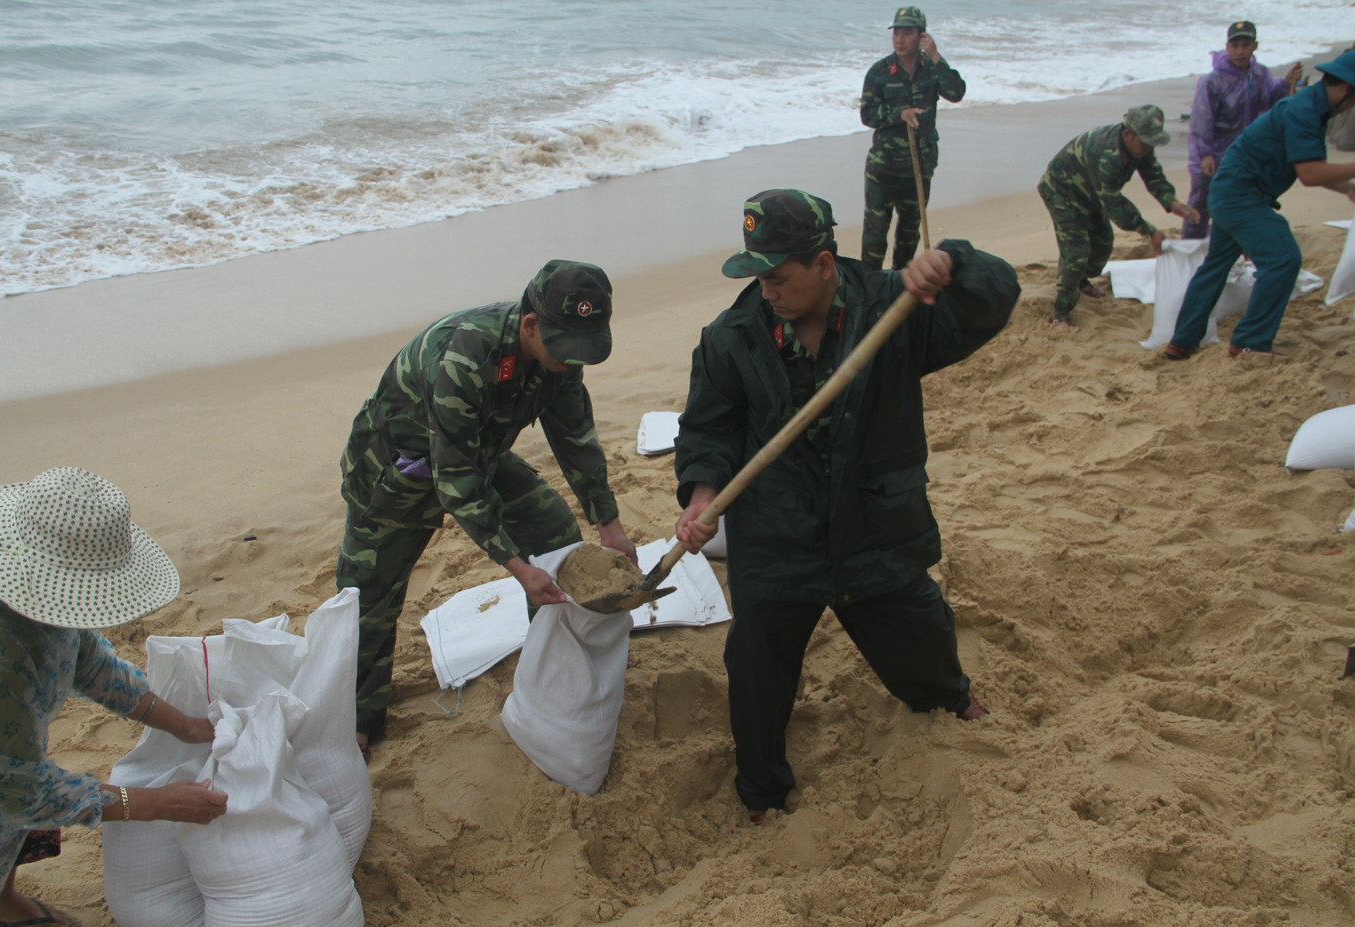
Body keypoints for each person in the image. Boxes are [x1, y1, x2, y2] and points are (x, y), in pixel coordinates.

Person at [672, 189, 1020, 820]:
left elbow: (994, 299)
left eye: (779, 277)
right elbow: (708, 429)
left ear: (825, 266)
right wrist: (703, 497)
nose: (767, 292)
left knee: (921, 631)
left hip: (875, 527)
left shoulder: (897, 306)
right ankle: (762, 789)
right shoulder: (731, 337)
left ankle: (948, 703)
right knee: (756, 668)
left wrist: (954, 262)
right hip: (777, 535)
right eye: (757, 276)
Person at [337, 259, 638, 757]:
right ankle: (356, 721)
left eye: (582, 349)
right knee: (367, 597)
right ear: (530, 325)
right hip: (397, 472)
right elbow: (455, 481)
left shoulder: (562, 352)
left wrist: (610, 525)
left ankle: (551, 664)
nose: (570, 361)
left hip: (480, 452)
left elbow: (575, 437)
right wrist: (517, 566)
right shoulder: (466, 356)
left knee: (556, 531)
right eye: (564, 349)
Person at [0, 468, 227, 927]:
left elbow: (85, 657)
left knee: (5, 833)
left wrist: (180, 724)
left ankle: (2, 899)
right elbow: (17, 792)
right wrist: (154, 804)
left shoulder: (27, 551)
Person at [1164, 50, 1355, 361]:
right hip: (1241, 195)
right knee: (1283, 258)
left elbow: (1309, 165)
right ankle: (1250, 343)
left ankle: (1182, 341)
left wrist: (1347, 188)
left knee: (1216, 266)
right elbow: (1310, 174)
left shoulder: (1313, 108)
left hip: (1231, 190)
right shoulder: (1304, 110)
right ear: (1347, 89)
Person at [1038, 105, 1200, 326]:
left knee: (1104, 242)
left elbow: (1154, 176)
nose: (1148, 147)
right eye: (1145, 142)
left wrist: (1172, 203)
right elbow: (1115, 205)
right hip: (1062, 192)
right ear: (1128, 134)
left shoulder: (1140, 146)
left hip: (1092, 193)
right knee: (1077, 251)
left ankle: (1081, 281)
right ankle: (1060, 313)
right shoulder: (1109, 155)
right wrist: (1149, 231)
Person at [859, 5, 965, 271]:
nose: (900, 39)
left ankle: (899, 285)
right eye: (896, 33)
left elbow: (956, 92)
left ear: (922, 37)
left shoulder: (932, 69)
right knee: (874, 236)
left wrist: (936, 57)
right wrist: (899, 113)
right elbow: (868, 114)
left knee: (909, 234)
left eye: (907, 33)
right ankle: (868, 289)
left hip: (918, 165)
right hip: (884, 168)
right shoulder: (880, 72)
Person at [1183, 21, 1302, 238]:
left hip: (1244, 153)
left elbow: (1270, 102)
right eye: (1235, 45)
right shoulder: (1212, 81)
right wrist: (1206, 153)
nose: (1240, 50)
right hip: (1211, 154)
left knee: (1236, 202)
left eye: (1245, 44)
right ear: (1227, 47)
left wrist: (1285, 83)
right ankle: (1190, 245)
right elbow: (1201, 120)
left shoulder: (1261, 74)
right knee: (1201, 202)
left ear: (1255, 46)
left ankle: (1228, 245)